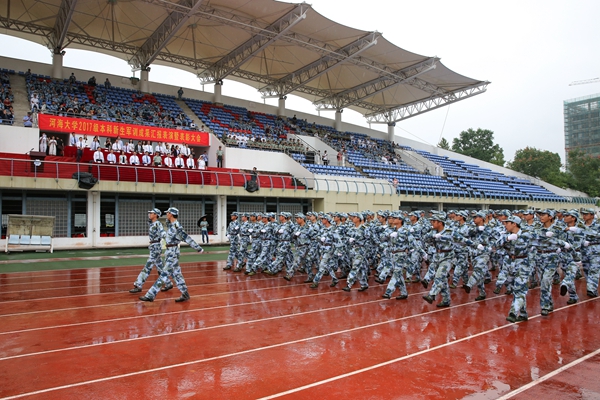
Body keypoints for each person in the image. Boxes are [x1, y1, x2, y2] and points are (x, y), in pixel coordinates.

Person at [139, 207, 204, 303]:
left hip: (173, 253)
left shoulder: (177, 227)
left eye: (168, 213)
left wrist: (198, 248)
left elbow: (187, 238)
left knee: (164, 274)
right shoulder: (171, 225)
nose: (166, 214)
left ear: (171, 214)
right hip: (169, 251)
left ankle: (150, 295)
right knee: (177, 274)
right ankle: (185, 293)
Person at [129, 208, 173, 294]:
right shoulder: (152, 224)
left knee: (148, 266)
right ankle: (168, 283)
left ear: (156, 215)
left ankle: (138, 284)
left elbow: (163, 233)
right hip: (153, 246)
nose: (150, 214)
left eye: (151, 213)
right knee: (160, 267)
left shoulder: (158, 224)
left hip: (155, 247)